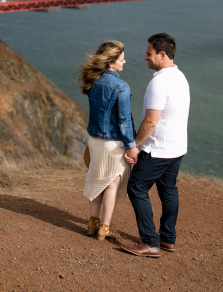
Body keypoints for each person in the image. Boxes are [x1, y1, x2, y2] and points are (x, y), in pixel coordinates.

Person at [120, 33, 190, 258]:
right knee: (168, 191)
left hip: (157, 149)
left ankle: (150, 242)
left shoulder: (158, 82)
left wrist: (133, 145)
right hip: (177, 148)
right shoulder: (180, 76)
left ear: (162, 54)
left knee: (136, 188)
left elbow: (150, 122)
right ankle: (168, 239)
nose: (145, 58)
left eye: (149, 54)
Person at [79, 40, 137, 242]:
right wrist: (132, 146)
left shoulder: (93, 81)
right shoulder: (121, 86)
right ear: (111, 62)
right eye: (122, 59)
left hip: (94, 140)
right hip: (113, 144)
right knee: (112, 184)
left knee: (96, 180)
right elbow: (124, 121)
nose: (125, 61)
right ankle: (105, 227)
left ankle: (92, 223)